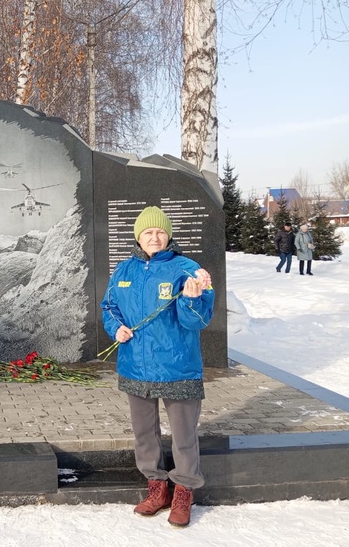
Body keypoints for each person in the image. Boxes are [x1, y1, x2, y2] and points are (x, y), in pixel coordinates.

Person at [100, 206, 215, 528]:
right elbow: (108, 306)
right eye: (148, 232)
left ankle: (184, 492)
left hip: (177, 366)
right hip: (135, 365)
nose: (154, 237)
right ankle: (157, 488)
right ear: (138, 236)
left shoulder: (187, 269)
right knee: (144, 434)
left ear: (169, 236)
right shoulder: (124, 270)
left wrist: (193, 298)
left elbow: (198, 320)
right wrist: (115, 327)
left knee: (183, 435)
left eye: (160, 232)